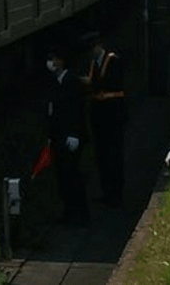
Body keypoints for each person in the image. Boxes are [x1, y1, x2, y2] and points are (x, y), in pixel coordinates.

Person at [81, 31, 126, 208]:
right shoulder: (94, 63)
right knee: (102, 156)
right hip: (99, 116)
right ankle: (107, 192)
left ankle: (116, 194)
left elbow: (107, 85)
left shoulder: (113, 60)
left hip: (113, 115)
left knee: (114, 155)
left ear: (99, 44)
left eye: (92, 47)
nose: (91, 51)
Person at [46, 46, 89, 226]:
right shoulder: (57, 82)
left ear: (62, 61)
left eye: (54, 59)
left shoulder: (71, 81)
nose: (50, 63)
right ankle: (70, 212)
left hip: (69, 137)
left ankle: (80, 214)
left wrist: (74, 134)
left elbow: (76, 110)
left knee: (72, 175)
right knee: (63, 176)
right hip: (58, 137)